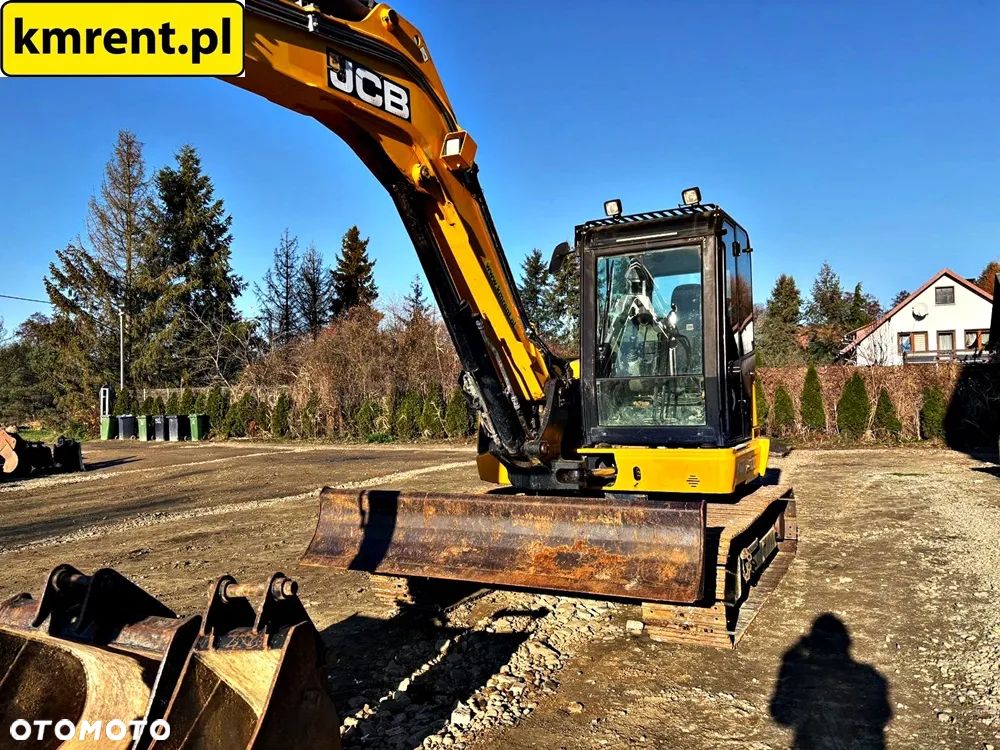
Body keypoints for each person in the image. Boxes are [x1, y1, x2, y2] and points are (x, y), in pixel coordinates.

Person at [770, 613, 892, 749]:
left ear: (813, 646)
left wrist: (788, 663)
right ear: (846, 644)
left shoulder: (805, 677)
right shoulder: (872, 677)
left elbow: (782, 717)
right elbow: (883, 715)